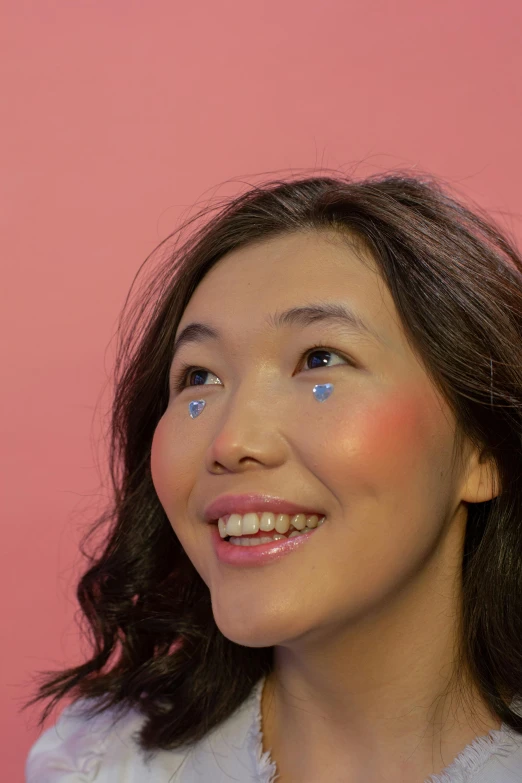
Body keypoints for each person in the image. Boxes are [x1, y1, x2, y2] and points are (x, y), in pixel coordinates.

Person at [24, 172, 522, 782]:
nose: (233, 442)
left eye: (320, 360)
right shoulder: (100, 767)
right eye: (199, 377)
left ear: (483, 449)